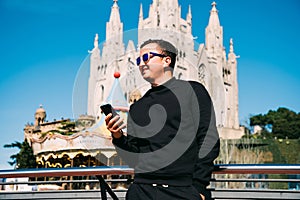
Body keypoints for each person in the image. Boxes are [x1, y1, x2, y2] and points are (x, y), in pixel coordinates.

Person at [105, 39, 220, 200]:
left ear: (167, 60)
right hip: (140, 191)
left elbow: (209, 138)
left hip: (182, 191)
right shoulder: (138, 107)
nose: (141, 64)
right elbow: (133, 158)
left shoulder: (193, 91)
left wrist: (198, 188)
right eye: (138, 60)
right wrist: (117, 136)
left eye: (147, 58)